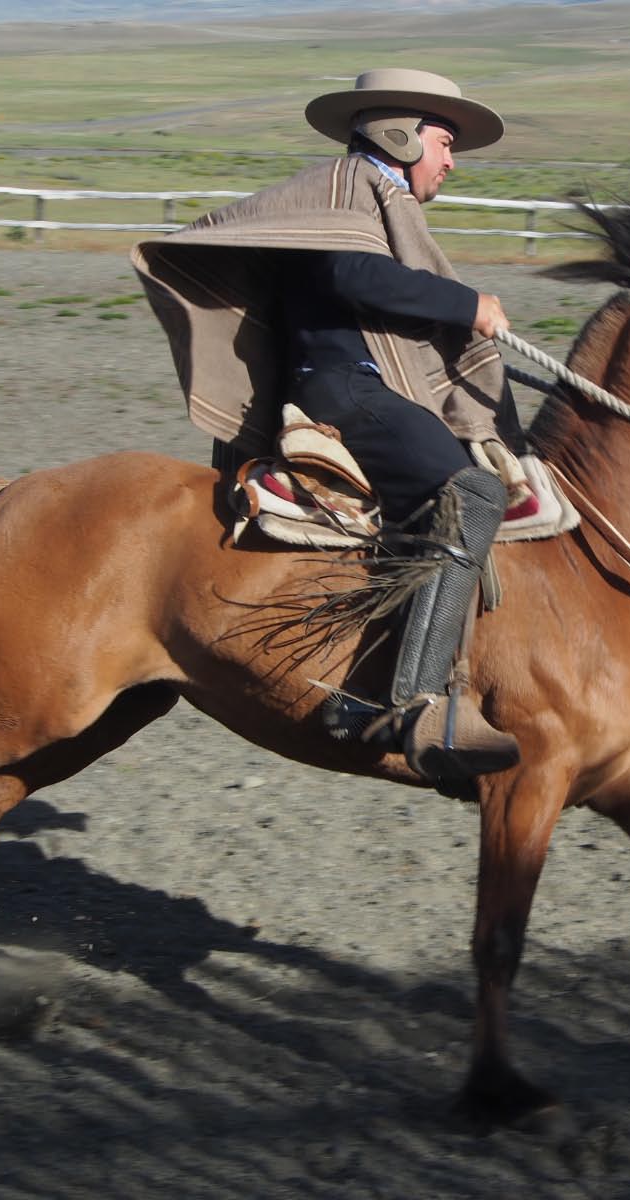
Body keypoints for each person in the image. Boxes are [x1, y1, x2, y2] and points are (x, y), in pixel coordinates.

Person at [132, 68, 526, 783]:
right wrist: (466, 305)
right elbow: (355, 278)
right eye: (443, 143)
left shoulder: (372, 197)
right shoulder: (345, 191)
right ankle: (407, 700)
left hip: (358, 384)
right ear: (397, 137)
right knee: (472, 492)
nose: (450, 160)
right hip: (343, 391)